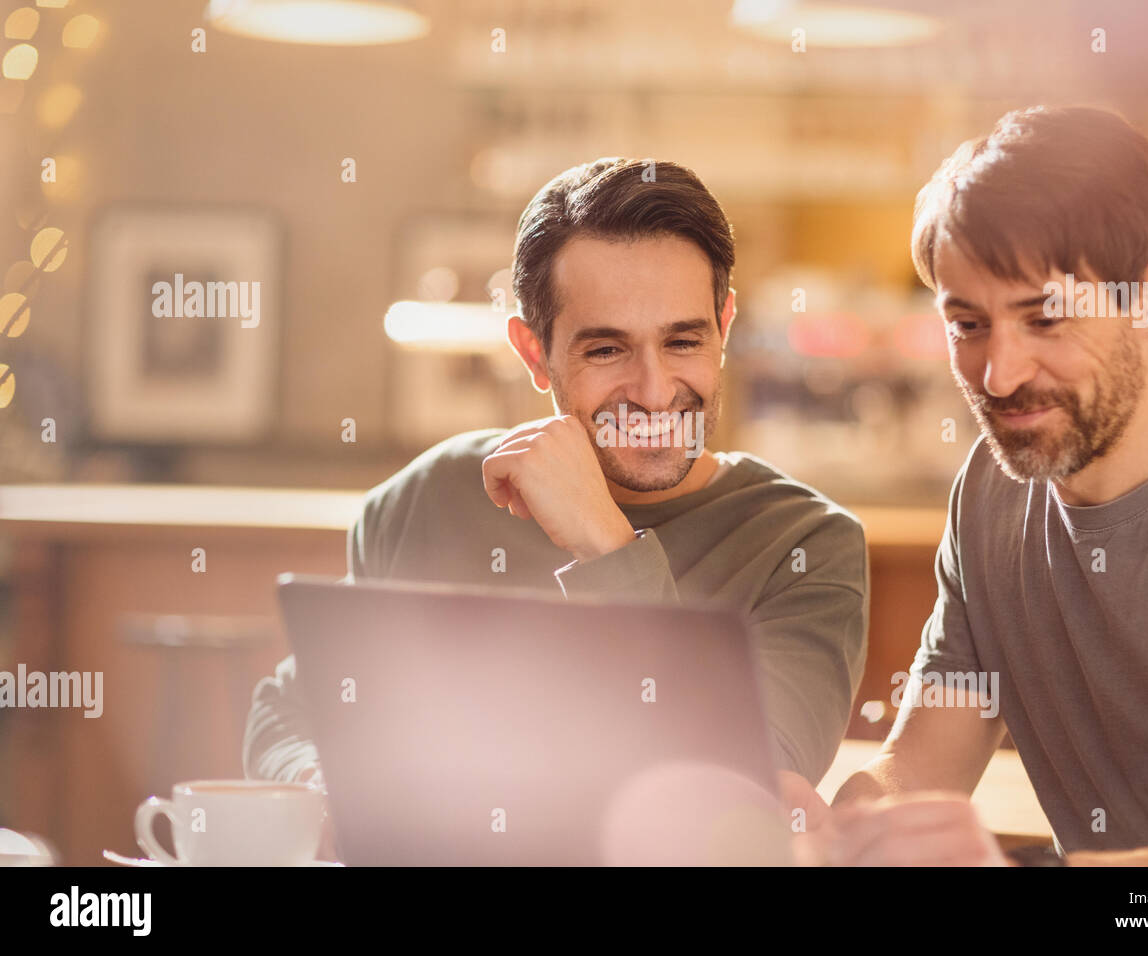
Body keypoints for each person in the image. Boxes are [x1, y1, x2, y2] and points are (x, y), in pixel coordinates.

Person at [244, 158, 869, 816]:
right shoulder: (427, 498)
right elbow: (290, 712)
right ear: (533, 353)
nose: (655, 392)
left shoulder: (808, 546)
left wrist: (606, 543)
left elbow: (739, 793)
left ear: (725, 328)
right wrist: (323, 786)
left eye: (683, 341)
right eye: (606, 350)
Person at [817, 106, 1148, 866]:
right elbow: (916, 768)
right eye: (968, 325)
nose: (999, 375)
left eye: (1045, 320)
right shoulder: (994, 488)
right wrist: (845, 830)